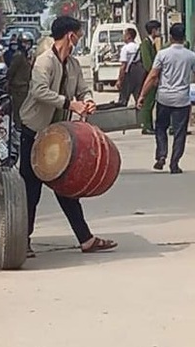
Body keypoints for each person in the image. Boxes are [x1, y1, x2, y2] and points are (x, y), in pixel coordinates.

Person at [19, 16, 118, 257]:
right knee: (31, 191)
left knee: (66, 187)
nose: (80, 38)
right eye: (79, 34)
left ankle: (86, 239)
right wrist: (70, 104)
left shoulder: (72, 64)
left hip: (58, 134)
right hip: (34, 132)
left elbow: (83, 89)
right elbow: (39, 91)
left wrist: (88, 100)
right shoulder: (45, 62)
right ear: (70, 36)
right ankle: (22, 241)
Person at [137, 23, 195, 174]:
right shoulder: (191, 56)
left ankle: (161, 155)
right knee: (179, 133)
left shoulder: (163, 54)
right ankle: (174, 164)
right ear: (184, 37)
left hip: (164, 98)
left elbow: (152, 76)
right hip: (182, 100)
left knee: (160, 128)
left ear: (170, 37)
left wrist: (142, 95)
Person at [7, 32, 34, 129]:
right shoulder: (18, 55)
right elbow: (11, 71)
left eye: (28, 43)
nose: (26, 45)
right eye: (23, 43)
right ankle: (18, 130)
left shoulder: (26, 56)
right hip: (18, 88)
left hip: (25, 87)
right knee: (19, 111)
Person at [138, 20, 161, 134]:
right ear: (153, 30)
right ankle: (146, 126)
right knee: (148, 102)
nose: (159, 32)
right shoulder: (145, 44)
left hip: (151, 76)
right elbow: (148, 64)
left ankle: (149, 125)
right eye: (158, 29)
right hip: (148, 77)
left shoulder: (151, 43)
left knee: (151, 102)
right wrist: (154, 76)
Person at [116, 28, 145, 107]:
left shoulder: (125, 48)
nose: (123, 37)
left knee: (123, 100)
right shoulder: (139, 47)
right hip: (139, 76)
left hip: (128, 76)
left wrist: (119, 80)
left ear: (129, 36)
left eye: (124, 35)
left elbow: (123, 66)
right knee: (138, 99)